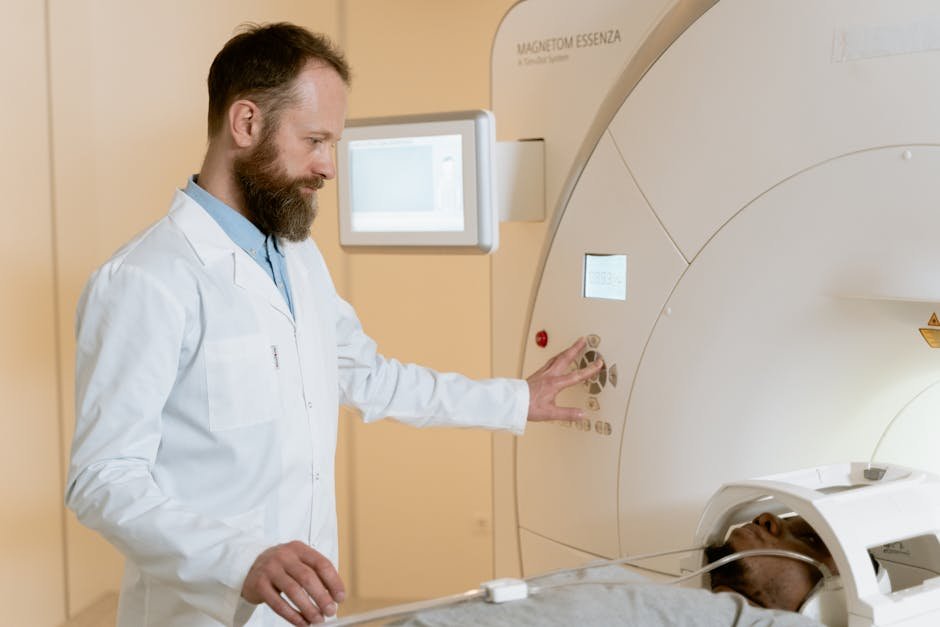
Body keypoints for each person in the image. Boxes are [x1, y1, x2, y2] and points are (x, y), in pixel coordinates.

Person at [65, 22, 602, 627]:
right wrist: (240, 559)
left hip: (306, 607)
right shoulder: (146, 279)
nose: (328, 167)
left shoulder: (297, 258)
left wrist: (514, 399)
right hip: (200, 613)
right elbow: (101, 479)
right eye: (314, 139)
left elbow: (367, 376)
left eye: (333, 144)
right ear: (246, 124)